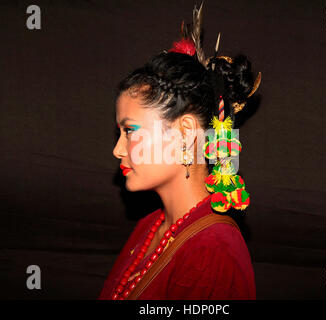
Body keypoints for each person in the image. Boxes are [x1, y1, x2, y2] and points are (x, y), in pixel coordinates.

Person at [99, 3, 260, 300]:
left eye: (130, 130)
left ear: (185, 132)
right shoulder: (152, 225)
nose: (117, 149)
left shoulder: (212, 251)